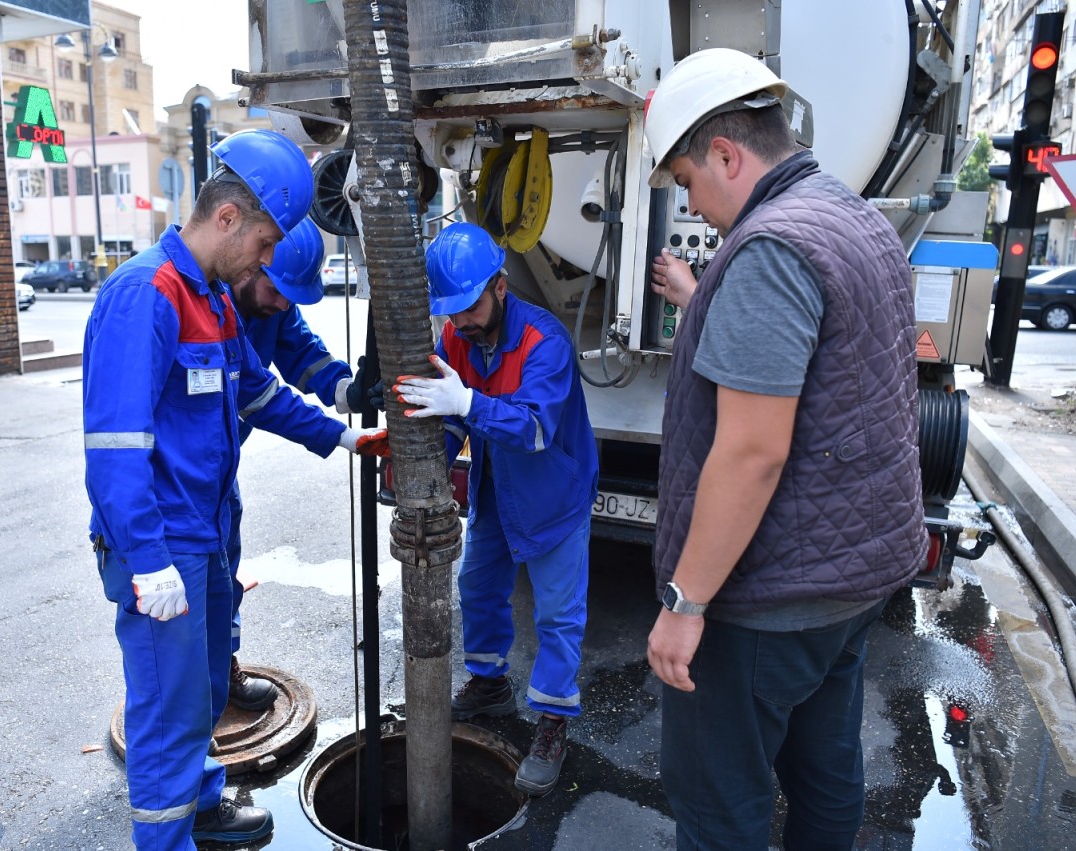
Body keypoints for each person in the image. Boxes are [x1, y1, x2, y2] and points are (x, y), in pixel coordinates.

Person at [643, 49, 926, 849]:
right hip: (851, 576)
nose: (694, 207)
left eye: (690, 183)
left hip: (767, 597)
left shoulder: (769, 247)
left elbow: (753, 451)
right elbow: (828, 362)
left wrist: (685, 604)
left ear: (728, 154)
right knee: (825, 773)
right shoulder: (853, 217)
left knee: (719, 805)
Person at [82, 128, 384, 850]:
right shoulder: (146, 295)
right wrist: (148, 559)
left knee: (205, 694)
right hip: (162, 544)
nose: (269, 260)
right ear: (228, 219)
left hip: (206, 531)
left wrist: (342, 436)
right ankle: (167, 838)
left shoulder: (213, 299)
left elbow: (257, 393)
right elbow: (115, 448)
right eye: (267, 244)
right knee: (166, 708)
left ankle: (204, 803)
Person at [394, 222, 599, 797]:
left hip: (553, 497)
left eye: (469, 306)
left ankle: (554, 720)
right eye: (450, 311)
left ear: (501, 287)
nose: (459, 321)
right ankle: (489, 684)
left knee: (558, 616)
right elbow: (447, 414)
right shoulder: (457, 338)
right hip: (494, 490)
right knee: (478, 588)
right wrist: (417, 464)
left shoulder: (546, 343)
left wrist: (467, 402)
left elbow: (533, 428)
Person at [221, 217, 384, 712]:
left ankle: (221, 669)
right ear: (254, 260)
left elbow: (302, 354)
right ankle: (183, 710)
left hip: (220, 464)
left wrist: (345, 389)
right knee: (186, 591)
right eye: (275, 290)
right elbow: (263, 398)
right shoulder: (211, 304)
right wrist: (344, 435)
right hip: (178, 471)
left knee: (224, 565)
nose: (282, 304)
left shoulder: (272, 301)